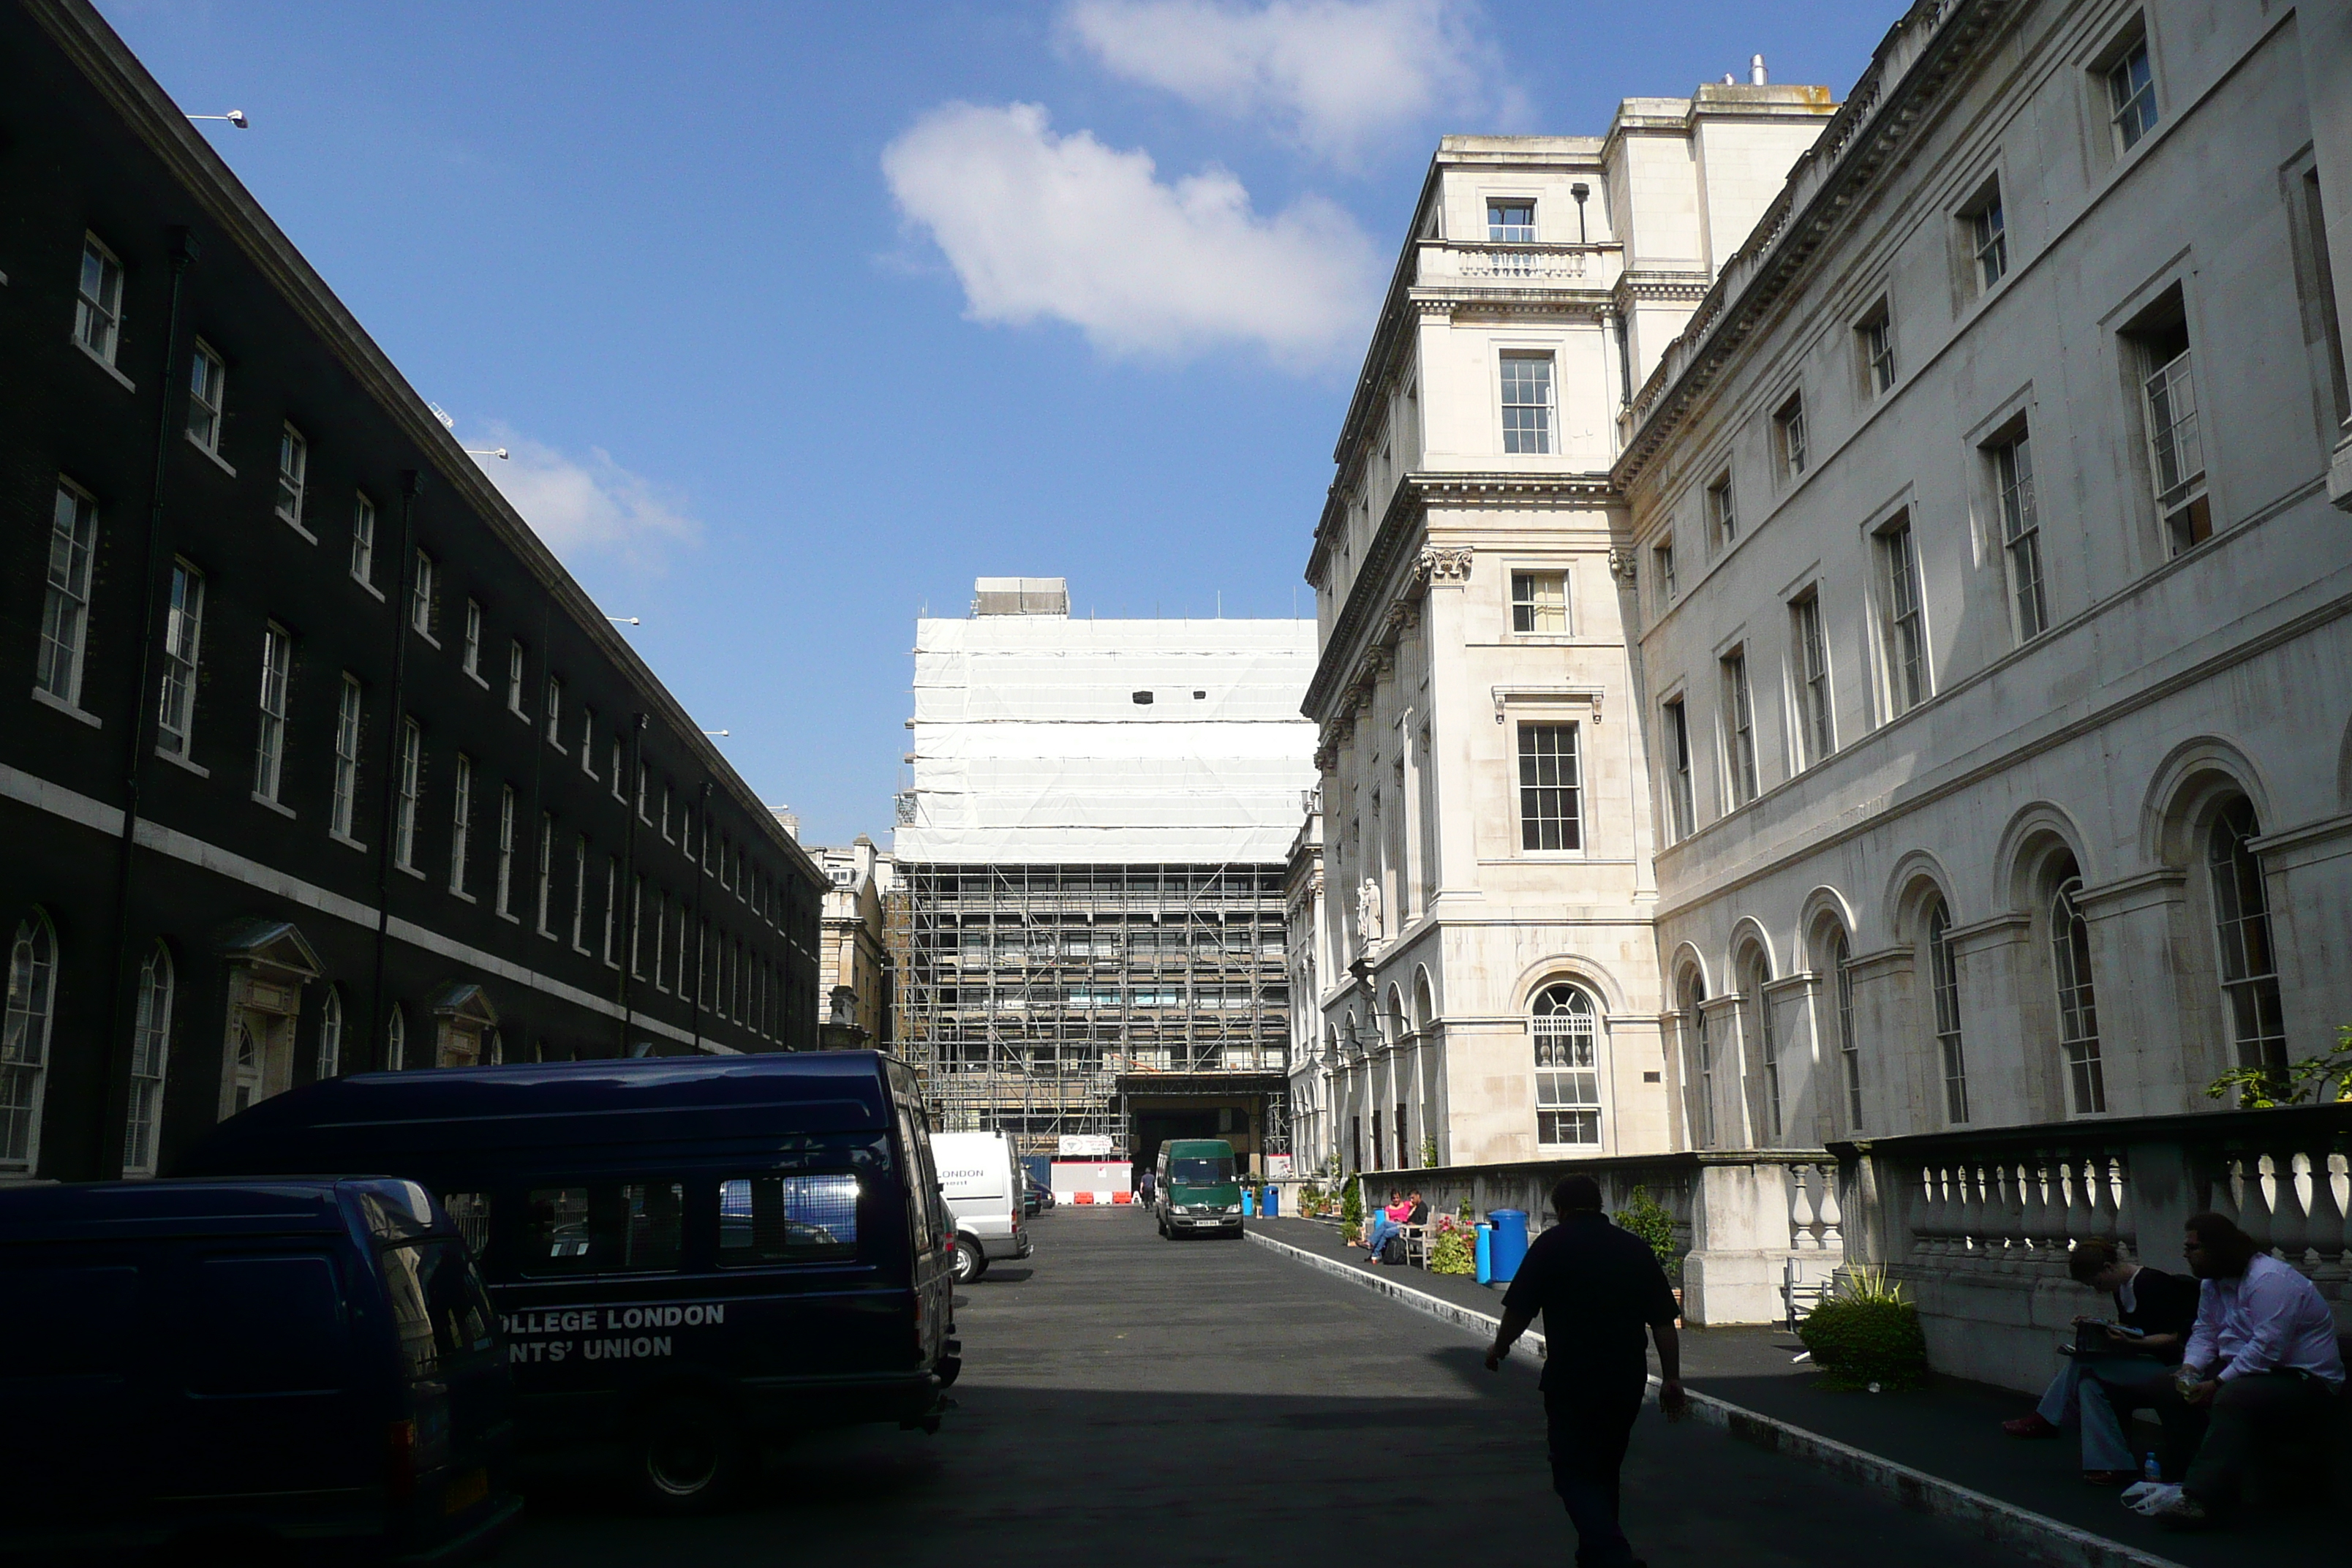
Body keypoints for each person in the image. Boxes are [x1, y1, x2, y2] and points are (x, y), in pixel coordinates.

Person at [1483, 1176, 1686, 1568]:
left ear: (1559, 1209)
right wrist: (1672, 1378)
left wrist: (1500, 1347)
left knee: (1572, 1470)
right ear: (1600, 1203)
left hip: (1572, 1377)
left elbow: (1520, 1310)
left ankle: (1611, 1554)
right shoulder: (1632, 1248)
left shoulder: (1551, 1246)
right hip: (1626, 1376)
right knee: (1606, 1468)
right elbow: (1663, 1321)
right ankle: (1594, 1555)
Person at [2144, 1212, 2345, 1529]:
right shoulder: (2213, 1283)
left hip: (2303, 1378)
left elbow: (2267, 1348)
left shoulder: (2269, 1281)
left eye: (2193, 1247)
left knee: (2233, 1396)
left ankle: (2202, 1499)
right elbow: (2206, 1331)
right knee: (2165, 1384)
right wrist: (2190, 1368)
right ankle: (2185, 1476)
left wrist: (2217, 1382)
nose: (2186, 1253)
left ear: (2216, 1249)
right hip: (2251, 1369)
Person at [2000, 1237, 2197, 1482]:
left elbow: (2176, 1336)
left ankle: (2046, 1419)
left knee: (2083, 1363)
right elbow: (2135, 1328)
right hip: (2145, 1361)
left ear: (2108, 1268)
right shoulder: (2121, 1290)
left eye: (2097, 1282)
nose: (2098, 1289)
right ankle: (2113, 1465)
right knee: (2089, 1386)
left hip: (2170, 1367)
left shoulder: (2150, 1283)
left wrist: (2134, 1343)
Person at [1361, 1188, 1411, 1262]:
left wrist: (1409, 1215)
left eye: (1397, 1198)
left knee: (1385, 1226)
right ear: (1391, 1199)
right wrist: (1394, 1221)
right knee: (1385, 1228)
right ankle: (1374, 1251)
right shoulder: (1388, 1208)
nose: (1396, 1200)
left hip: (1403, 1225)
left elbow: (1416, 1204)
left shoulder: (1406, 1204)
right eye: (1394, 1198)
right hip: (1393, 1225)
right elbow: (1388, 1220)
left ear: (1400, 1198)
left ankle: (1372, 1246)